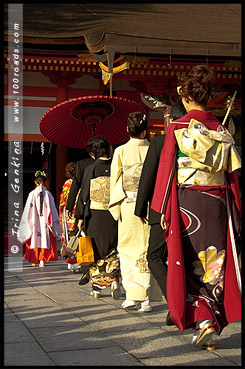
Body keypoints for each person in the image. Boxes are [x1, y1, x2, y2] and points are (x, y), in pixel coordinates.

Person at [151, 65, 241, 350]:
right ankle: (210, 319)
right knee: (215, 262)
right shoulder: (221, 128)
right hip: (217, 202)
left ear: (186, 98)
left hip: (187, 202)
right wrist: (236, 209)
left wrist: (163, 211)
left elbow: (167, 172)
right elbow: (232, 175)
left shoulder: (177, 127)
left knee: (189, 261)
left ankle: (203, 320)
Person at [134, 100, 187, 324]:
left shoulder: (160, 142)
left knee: (155, 256)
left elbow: (148, 177)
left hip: (163, 208)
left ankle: (174, 301)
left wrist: (140, 208)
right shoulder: (201, 141)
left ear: (170, 119)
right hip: (193, 208)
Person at [109, 112, 162, 312]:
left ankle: (132, 295)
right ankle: (147, 297)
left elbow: (115, 180)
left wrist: (116, 206)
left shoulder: (121, 151)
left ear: (127, 130)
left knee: (128, 249)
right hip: (151, 205)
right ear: (146, 129)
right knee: (149, 248)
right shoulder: (155, 148)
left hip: (129, 205)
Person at [75, 136, 120, 299]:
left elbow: (84, 195)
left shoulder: (91, 169)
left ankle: (97, 288)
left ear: (92, 153)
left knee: (96, 250)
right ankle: (115, 280)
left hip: (96, 215)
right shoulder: (116, 166)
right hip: (114, 212)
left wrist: (79, 216)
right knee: (113, 248)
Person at [18, 170, 62, 267]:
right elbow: (52, 210)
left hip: (34, 221)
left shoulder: (31, 194)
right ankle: (42, 260)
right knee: (45, 239)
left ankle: (34, 259)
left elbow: (27, 211)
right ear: (44, 182)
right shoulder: (49, 194)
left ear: (35, 182)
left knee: (34, 238)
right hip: (45, 222)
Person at [66, 152, 94, 280]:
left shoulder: (83, 164)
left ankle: (86, 268)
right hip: (104, 207)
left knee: (82, 237)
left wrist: (69, 207)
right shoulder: (110, 163)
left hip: (84, 205)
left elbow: (75, 185)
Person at [59, 162, 80, 272]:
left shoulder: (67, 184)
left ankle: (71, 263)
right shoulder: (81, 183)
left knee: (69, 238)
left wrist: (61, 214)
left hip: (68, 214)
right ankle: (77, 262)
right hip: (78, 213)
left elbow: (63, 200)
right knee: (77, 237)